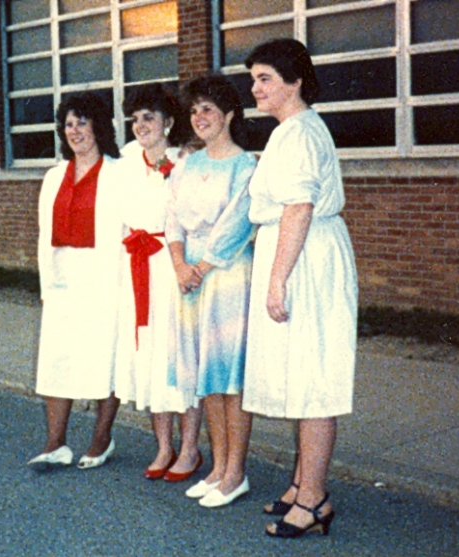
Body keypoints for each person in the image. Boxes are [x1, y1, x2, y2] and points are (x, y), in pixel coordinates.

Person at [242, 39, 358, 538]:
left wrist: (277, 279)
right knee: (298, 372)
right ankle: (300, 483)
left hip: (306, 259)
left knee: (313, 379)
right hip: (296, 252)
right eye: (254, 78)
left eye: (265, 78)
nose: (255, 88)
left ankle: (313, 500)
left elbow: (299, 209)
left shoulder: (300, 134)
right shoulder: (291, 131)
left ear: (295, 82)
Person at [165, 75, 257, 507]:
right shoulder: (187, 164)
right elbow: (173, 220)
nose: (199, 117)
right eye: (194, 110)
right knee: (208, 378)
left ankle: (235, 472)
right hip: (190, 279)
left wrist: (200, 267)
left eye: (208, 109)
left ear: (229, 115)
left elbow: (238, 222)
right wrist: (180, 264)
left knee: (229, 376)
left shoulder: (245, 166)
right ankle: (218, 468)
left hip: (227, 275)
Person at [28, 92, 126, 470]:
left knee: (105, 357)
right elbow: (43, 234)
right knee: (58, 357)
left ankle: (102, 438)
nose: (75, 131)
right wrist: (46, 286)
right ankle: (56, 443)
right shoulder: (54, 176)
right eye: (68, 124)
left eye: (82, 122)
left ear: (98, 125)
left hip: (105, 277)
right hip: (64, 277)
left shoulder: (118, 172)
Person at [114, 83, 204, 482]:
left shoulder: (186, 160)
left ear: (169, 121)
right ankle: (163, 446)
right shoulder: (128, 160)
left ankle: (190, 449)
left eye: (148, 117)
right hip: (136, 267)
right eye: (134, 119)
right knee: (149, 357)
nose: (140, 126)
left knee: (180, 356)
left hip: (171, 264)